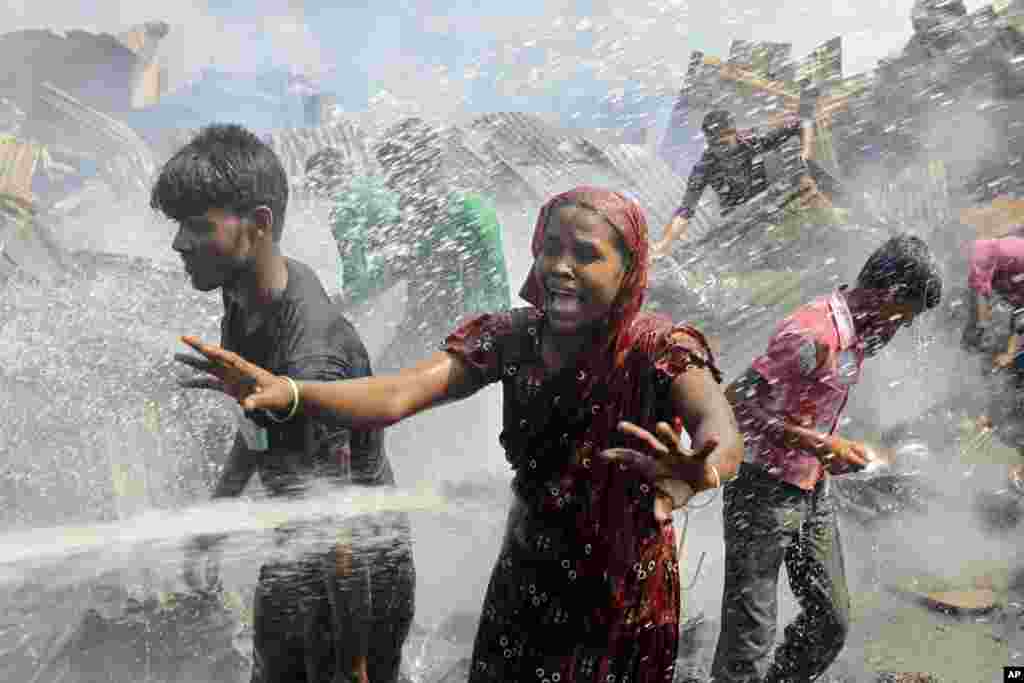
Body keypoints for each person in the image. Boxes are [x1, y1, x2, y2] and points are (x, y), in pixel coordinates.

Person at [176, 186, 745, 683]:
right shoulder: (512, 337)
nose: (561, 267)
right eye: (550, 249)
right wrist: (292, 391)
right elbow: (397, 394)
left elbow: (721, 429)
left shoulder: (658, 349)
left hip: (624, 598)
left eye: (587, 255)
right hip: (527, 579)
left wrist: (703, 469)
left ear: (629, 271)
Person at [154, 124, 415, 683]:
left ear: (261, 224)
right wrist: (217, 514)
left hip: (356, 577)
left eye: (198, 226)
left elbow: (336, 517)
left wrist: (356, 665)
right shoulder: (246, 292)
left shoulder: (310, 356)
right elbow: (259, 425)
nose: (178, 243)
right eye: (178, 225)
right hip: (302, 547)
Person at [711, 234, 943, 683]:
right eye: (904, 317)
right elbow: (732, 404)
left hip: (811, 490)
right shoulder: (814, 333)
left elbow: (802, 408)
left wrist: (829, 450)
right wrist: (820, 445)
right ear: (890, 295)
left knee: (829, 621)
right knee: (750, 639)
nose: (902, 329)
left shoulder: (857, 337)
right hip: (761, 492)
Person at [371, 117, 511, 372]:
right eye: (387, 172)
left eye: (396, 172)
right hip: (416, 333)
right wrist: (336, 303)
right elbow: (383, 276)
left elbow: (497, 291)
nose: (389, 183)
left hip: (465, 341)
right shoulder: (406, 220)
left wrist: (490, 351)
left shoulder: (470, 211)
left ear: (428, 165)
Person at [653, 106, 814, 257]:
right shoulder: (704, 167)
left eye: (725, 142)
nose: (722, 150)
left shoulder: (752, 142)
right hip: (737, 218)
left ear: (734, 134)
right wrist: (664, 244)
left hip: (769, 202)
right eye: (715, 144)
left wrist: (805, 154)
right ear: (708, 141)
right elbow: (685, 211)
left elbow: (802, 123)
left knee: (799, 175)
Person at [303, 148, 402, 310]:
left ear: (319, 182)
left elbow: (355, 273)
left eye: (313, 185)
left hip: (394, 269)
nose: (313, 192)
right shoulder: (377, 185)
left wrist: (342, 305)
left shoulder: (343, 211)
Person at [962, 235, 1024, 367]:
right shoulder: (995, 252)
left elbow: (1020, 320)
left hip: (994, 266)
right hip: (982, 257)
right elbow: (980, 292)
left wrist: (1009, 354)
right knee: (979, 326)